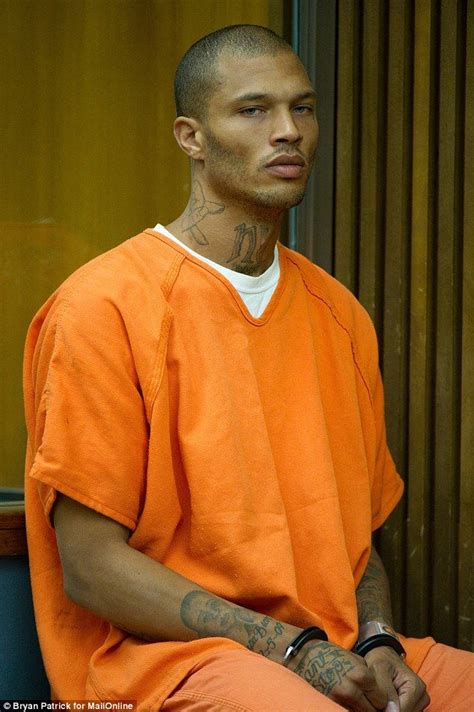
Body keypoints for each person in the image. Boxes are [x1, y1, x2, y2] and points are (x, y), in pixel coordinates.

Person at [24, 24, 472, 712]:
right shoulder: (104, 306)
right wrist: (294, 650)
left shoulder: (341, 315)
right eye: (253, 110)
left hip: (334, 649)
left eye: (303, 107)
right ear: (191, 137)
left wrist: (379, 641)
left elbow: (355, 547)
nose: (288, 130)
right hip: (161, 667)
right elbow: (91, 570)